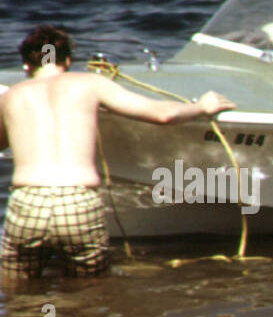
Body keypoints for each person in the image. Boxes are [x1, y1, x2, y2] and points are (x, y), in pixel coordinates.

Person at [0, 25, 235, 280]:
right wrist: (202, 107)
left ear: (26, 65)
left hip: (28, 202)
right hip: (77, 201)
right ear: (67, 60)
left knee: (15, 287)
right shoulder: (91, 84)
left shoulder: (11, 96)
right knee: (88, 289)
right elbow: (163, 115)